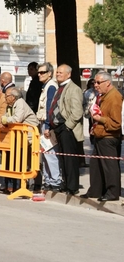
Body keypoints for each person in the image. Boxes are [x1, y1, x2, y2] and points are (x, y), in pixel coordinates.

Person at [80, 71, 122, 201]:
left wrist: (100, 119)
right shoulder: (104, 95)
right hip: (100, 136)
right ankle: (95, 191)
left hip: (109, 137)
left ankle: (112, 192)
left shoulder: (114, 97)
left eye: (98, 82)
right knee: (96, 165)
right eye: (94, 82)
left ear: (108, 83)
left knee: (110, 166)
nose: (96, 85)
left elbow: (116, 123)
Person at [47, 64, 84, 195]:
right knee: (62, 158)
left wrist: (68, 126)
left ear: (68, 74)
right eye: (57, 72)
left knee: (70, 159)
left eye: (60, 72)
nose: (57, 74)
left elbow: (77, 112)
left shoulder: (74, 89)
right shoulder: (60, 88)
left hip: (68, 128)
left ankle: (72, 186)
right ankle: (65, 183)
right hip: (58, 128)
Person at [0, 87, 39, 193]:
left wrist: (4, 120)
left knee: (30, 162)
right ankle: (19, 185)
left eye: (6, 96)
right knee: (21, 161)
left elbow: (17, 119)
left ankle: (31, 185)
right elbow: (5, 117)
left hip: (30, 137)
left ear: (13, 97)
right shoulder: (10, 106)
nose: (5, 98)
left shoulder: (20, 103)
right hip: (20, 138)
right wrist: (3, 120)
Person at [36, 62, 61, 191]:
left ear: (49, 73)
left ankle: (55, 181)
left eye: (42, 72)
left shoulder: (51, 86)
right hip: (43, 123)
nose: (39, 74)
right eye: (38, 72)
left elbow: (49, 108)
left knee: (50, 152)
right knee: (45, 153)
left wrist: (47, 126)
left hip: (46, 124)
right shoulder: (46, 86)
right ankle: (49, 180)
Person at [83, 78, 97, 145]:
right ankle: (92, 138)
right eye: (92, 83)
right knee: (91, 124)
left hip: (97, 111)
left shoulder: (98, 90)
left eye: (94, 83)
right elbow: (86, 100)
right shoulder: (87, 92)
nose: (93, 85)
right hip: (89, 111)